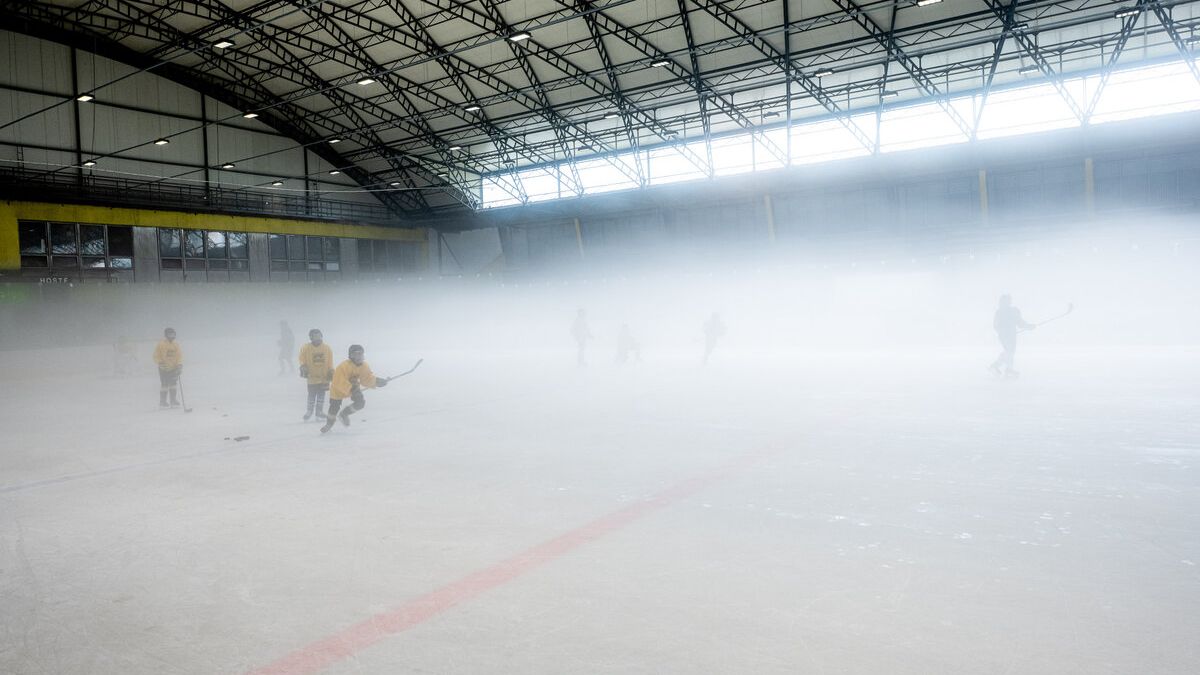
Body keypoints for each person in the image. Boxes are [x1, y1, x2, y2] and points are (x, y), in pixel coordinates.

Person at [320, 344, 389, 433]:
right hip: (337, 389)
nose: (359, 356)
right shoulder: (343, 367)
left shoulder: (364, 366)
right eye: (356, 354)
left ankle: (344, 414)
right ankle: (329, 424)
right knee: (334, 408)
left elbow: (367, 379)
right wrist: (351, 389)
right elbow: (339, 382)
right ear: (351, 355)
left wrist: (377, 381)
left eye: (360, 354)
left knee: (360, 403)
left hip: (354, 388)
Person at [990, 294, 1034, 377]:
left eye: (1007, 300)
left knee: (1010, 352)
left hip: (1012, 335)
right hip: (1004, 336)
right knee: (1009, 351)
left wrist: (1028, 326)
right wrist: (1003, 332)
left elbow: (1020, 322)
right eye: (1004, 301)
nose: (1006, 302)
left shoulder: (1013, 311)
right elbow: (996, 325)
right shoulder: (999, 312)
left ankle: (1007, 368)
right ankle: (998, 367)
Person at [298, 329, 334, 421]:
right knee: (311, 394)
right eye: (315, 336)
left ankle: (319, 411)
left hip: (324, 377)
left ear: (322, 336)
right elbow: (301, 358)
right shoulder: (306, 347)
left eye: (319, 335)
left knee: (321, 395)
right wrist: (303, 366)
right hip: (312, 377)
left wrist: (331, 370)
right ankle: (309, 411)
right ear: (311, 337)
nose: (317, 338)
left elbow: (330, 361)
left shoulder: (327, 348)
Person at [153, 327, 183, 408]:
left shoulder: (176, 344)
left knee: (173, 384)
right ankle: (162, 402)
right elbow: (156, 355)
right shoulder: (161, 344)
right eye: (170, 334)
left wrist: (179, 365)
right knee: (164, 384)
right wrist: (160, 363)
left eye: (173, 334)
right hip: (163, 368)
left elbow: (179, 356)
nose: (172, 335)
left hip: (173, 368)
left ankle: (173, 400)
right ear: (166, 335)